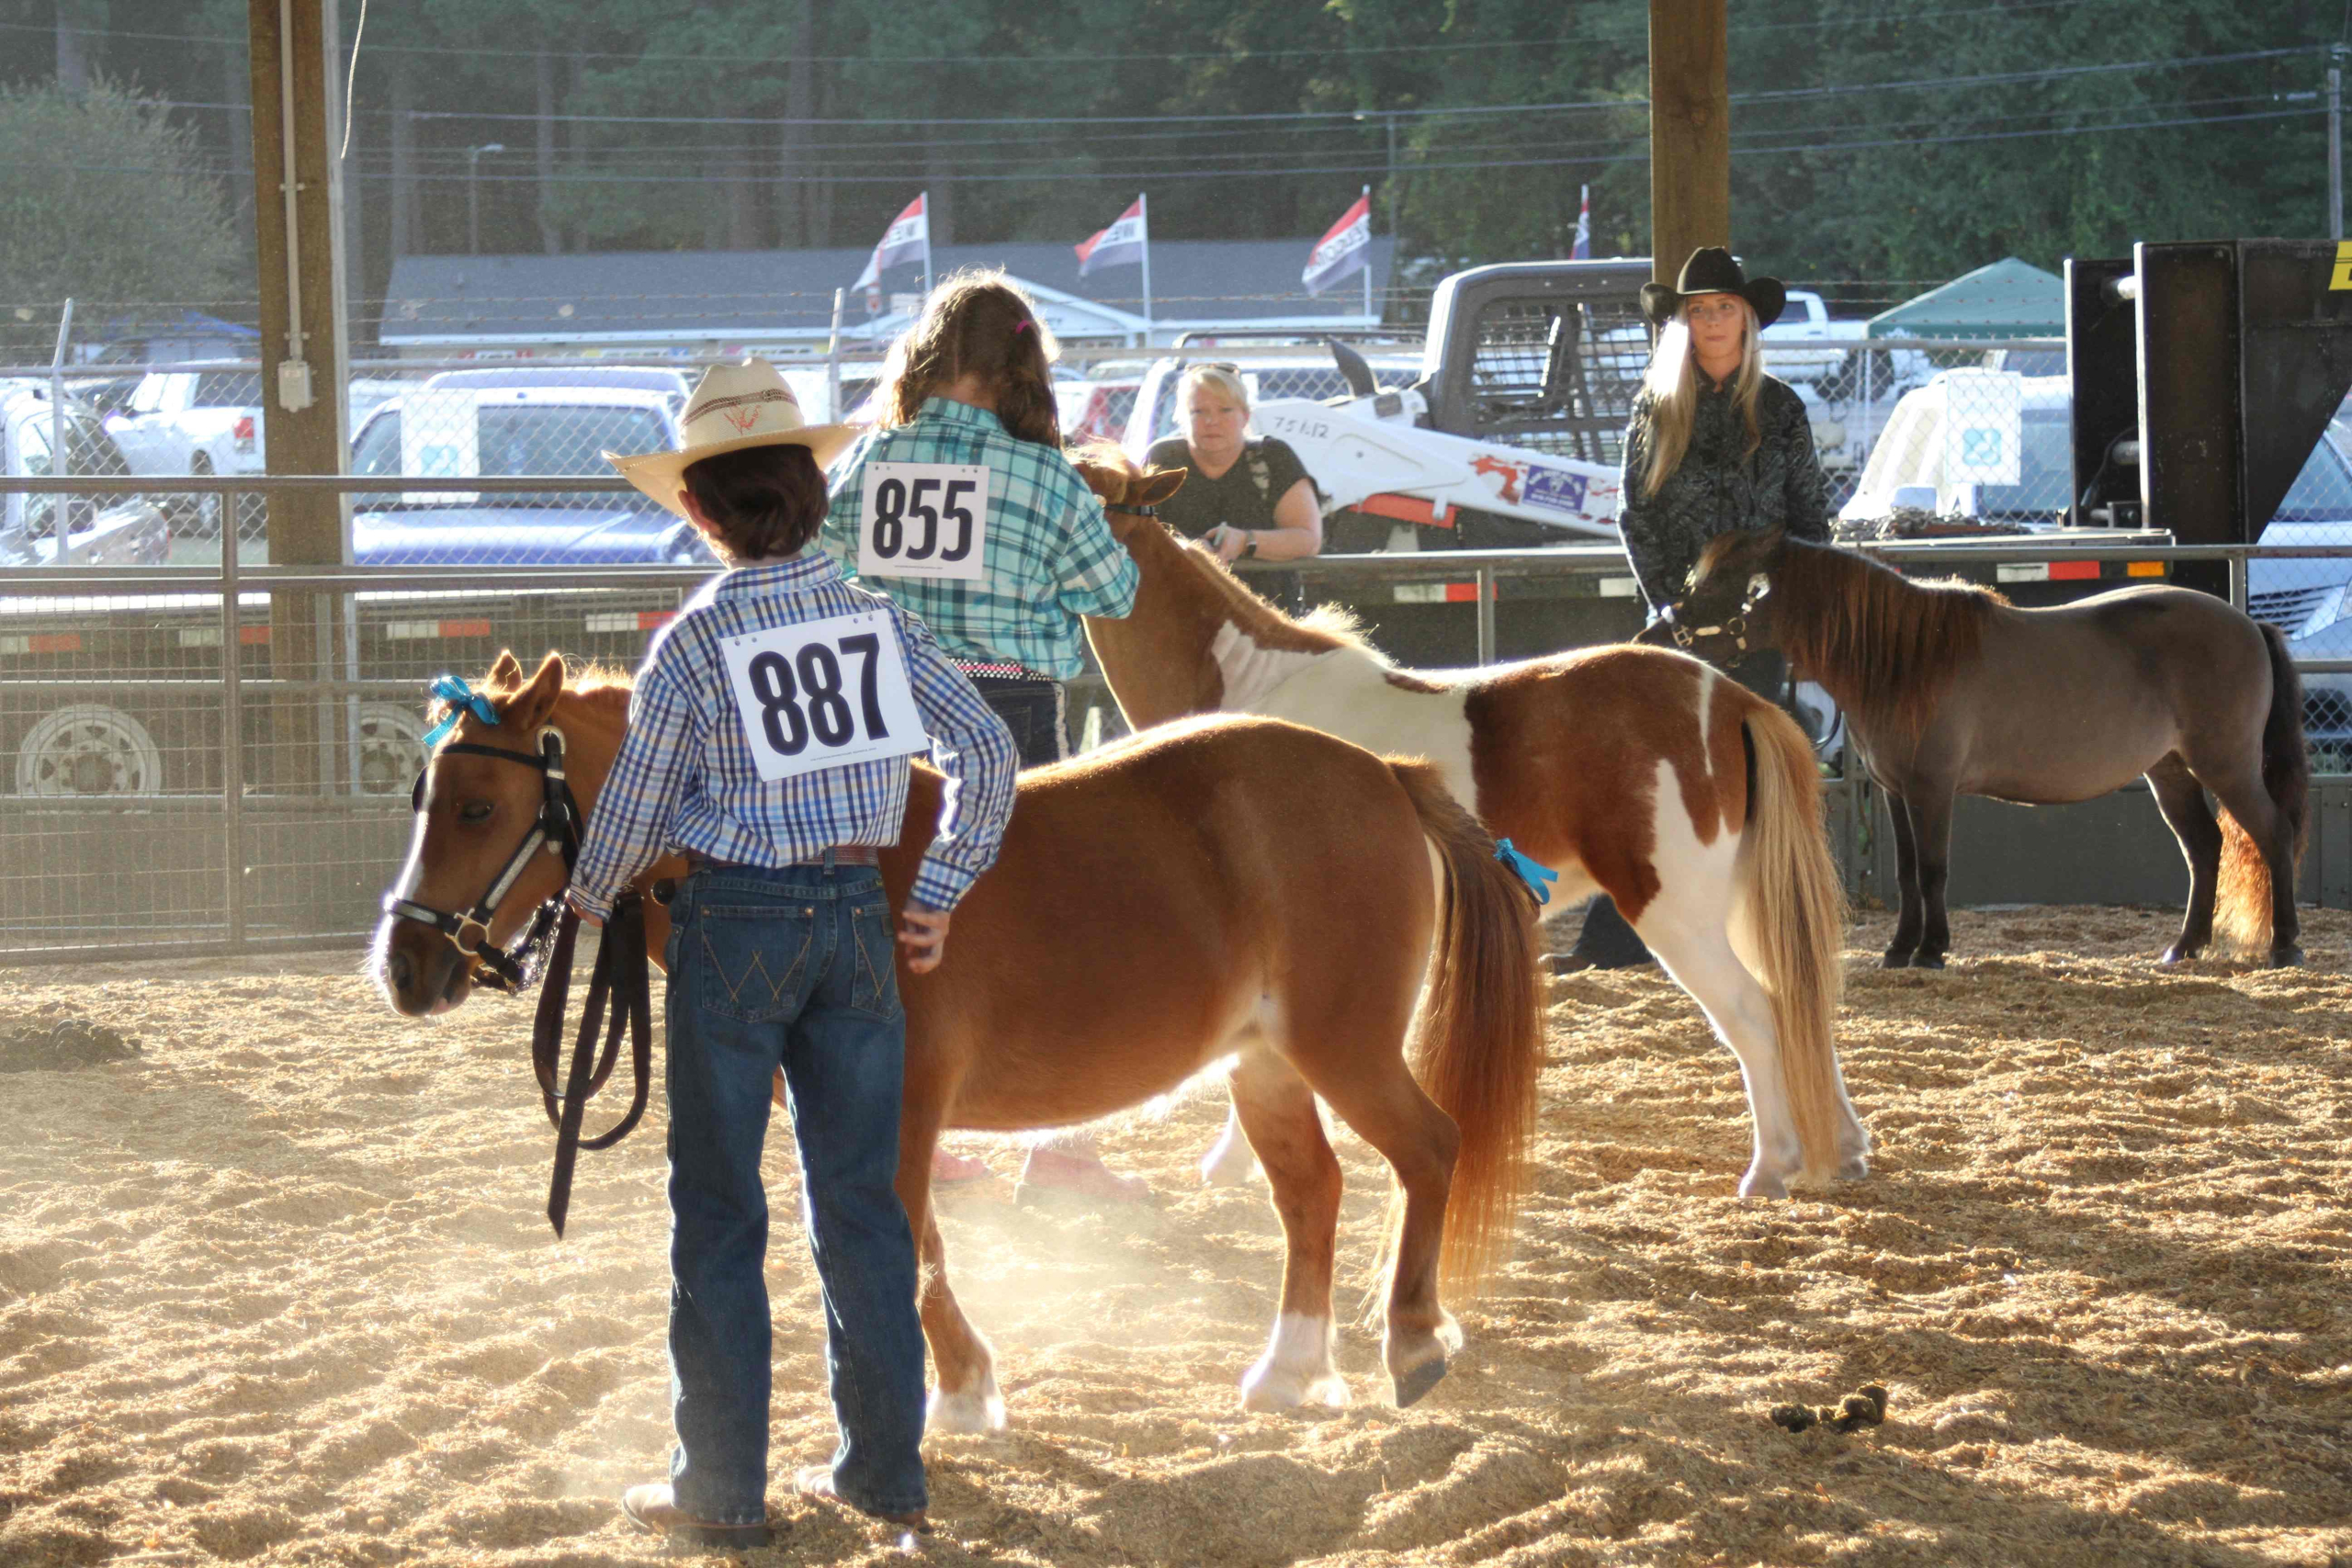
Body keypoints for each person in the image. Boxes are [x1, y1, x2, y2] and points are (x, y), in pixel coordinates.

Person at [571, 359, 1021, 1547]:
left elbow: (634, 810)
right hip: (855, 926)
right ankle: (885, 1470)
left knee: (719, 1212)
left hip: (737, 925)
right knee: (863, 1208)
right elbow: (985, 745)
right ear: (809, 494)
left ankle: (719, 1485)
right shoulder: (876, 618)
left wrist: (581, 899)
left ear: (703, 510)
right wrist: (939, 886)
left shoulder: (695, 638)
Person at [819, 269, 1151, 1202]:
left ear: (928, 357)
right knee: (1042, 928)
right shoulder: (1043, 475)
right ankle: (1060, 1152)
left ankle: (912, 1138)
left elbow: (823, 564)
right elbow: (1114, 594)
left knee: (894, 923)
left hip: (883, 715)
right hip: (1005, 716)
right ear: (1019, 371)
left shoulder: (873, 460)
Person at [1562, 245, 1832, 973]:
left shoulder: (1780, 409)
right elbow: (1633, 516)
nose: (1712, 319)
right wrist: (1668, 604)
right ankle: (1615, 941)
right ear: (1682, 323)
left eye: (1724, 307)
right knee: (1647, 771)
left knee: (1753, 770)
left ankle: (1769, 936)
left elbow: (1810, 514)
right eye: (1699, 309)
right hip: (1679, 618)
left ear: (1747, 319)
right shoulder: (1656, 407)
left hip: (1761, 617)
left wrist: (1789, 600)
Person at [1144, 363, 1324, 608]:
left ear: (1245, 416)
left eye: (1225, 410)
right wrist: (1188, 550)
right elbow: (1132, 534)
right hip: (1178, 612)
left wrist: (1244, 541)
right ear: (1182, 418)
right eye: (1198, 411)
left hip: (1267, 615)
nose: (1212, 421)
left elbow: (1308, 539)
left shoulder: (1273, 457)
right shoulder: (1162, 460)